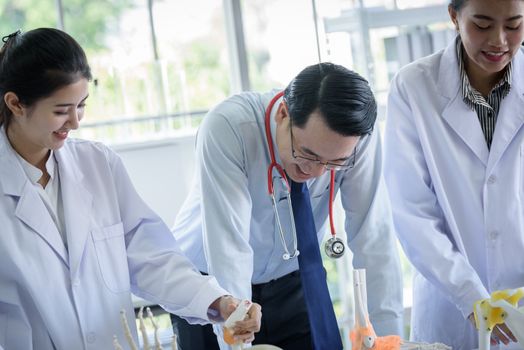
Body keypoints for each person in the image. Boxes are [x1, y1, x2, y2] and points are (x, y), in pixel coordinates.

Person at [0, 28, 261, 350]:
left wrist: (218, 302)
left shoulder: (97, 165)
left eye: (81, 105)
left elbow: (150, 257)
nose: (76, 121)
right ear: (15, 103)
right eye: (60, 110)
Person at [171, 62, 404, 350]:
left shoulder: (357, 139)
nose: (317, 172)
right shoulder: (230, 127)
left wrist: (386, 341)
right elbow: (228, 248)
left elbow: (374, 238)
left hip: (292, 279)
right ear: (283, 114)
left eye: (334, 163)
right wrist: (234, 335)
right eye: (307, 154)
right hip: (210, 286)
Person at [384, 0, 524, 349]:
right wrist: (470, 295)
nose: (500, 41)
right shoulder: (413, 87)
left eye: (514, 25)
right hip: (450, 311)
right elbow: (412, 212)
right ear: (453, 16)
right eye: (482, 24)